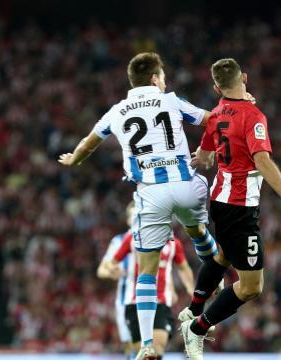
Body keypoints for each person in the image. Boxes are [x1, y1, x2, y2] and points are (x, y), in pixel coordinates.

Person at [58, 52, 221, 360]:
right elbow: (212, 119)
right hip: (187, 184)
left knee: (146, 270)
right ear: (156, 79)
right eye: (164, 77)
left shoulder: (116, 111)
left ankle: (146, 343)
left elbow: (88, 143)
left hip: (151, 194)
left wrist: (73, 160)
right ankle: (216, 273)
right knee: (197, 230)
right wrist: (206, 151)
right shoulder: (171, 100)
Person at [178, 58, 281, 359]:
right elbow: (262, 161)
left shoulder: (215, 114)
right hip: (239, 207)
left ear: (217, 87)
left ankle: (193, 310)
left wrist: (203, 159)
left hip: (220, 200)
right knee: (252, 287)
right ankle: (197, 328)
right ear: (246, 78)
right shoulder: (253, 116)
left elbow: (204, 155)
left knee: (224, 255)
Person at [106, 229, 195, 360]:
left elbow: (184, 267)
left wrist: (190, 288)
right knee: (141, 353)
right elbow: (112, 262)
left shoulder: (174, 244)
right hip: (134, 303)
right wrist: (114, 270)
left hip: (161, 302)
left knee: (157, 348)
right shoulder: (132, 238)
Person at [96, 203, 135, 356]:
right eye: (132, 215)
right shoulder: (118, 241)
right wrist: (114, 272)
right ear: (127, 220)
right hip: (125, 301)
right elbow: (101, 270)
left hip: (152, 299)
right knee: (130, 345)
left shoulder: (156, 239)